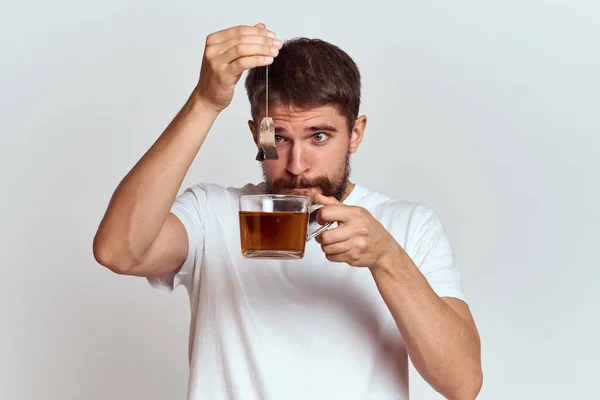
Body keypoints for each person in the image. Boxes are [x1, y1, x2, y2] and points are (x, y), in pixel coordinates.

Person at [93, 23, 483, 400]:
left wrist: (386, 258)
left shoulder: (409, 225)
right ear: (256, 135)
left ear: (356, 134)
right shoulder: (213, 213)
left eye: (318, 136)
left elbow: (463, 384)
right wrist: (205, 102)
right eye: (278, 137)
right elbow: (117, 251)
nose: (296, 164)